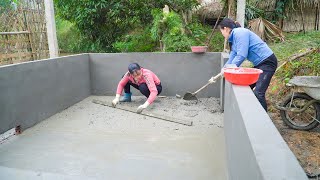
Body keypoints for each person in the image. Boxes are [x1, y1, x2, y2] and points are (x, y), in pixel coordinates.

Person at [219, 18, 278, 111]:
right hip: (260, 64)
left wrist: (230, 68)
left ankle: (263, 119)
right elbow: (233, 55)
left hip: (267, 62)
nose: (221, 34)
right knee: (246, 88)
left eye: (221, 31)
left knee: (258, 93)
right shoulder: (234, 38)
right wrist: (224, 68)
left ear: (225, 28)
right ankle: (249, 111)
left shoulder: (240, 32)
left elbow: (242, 55)